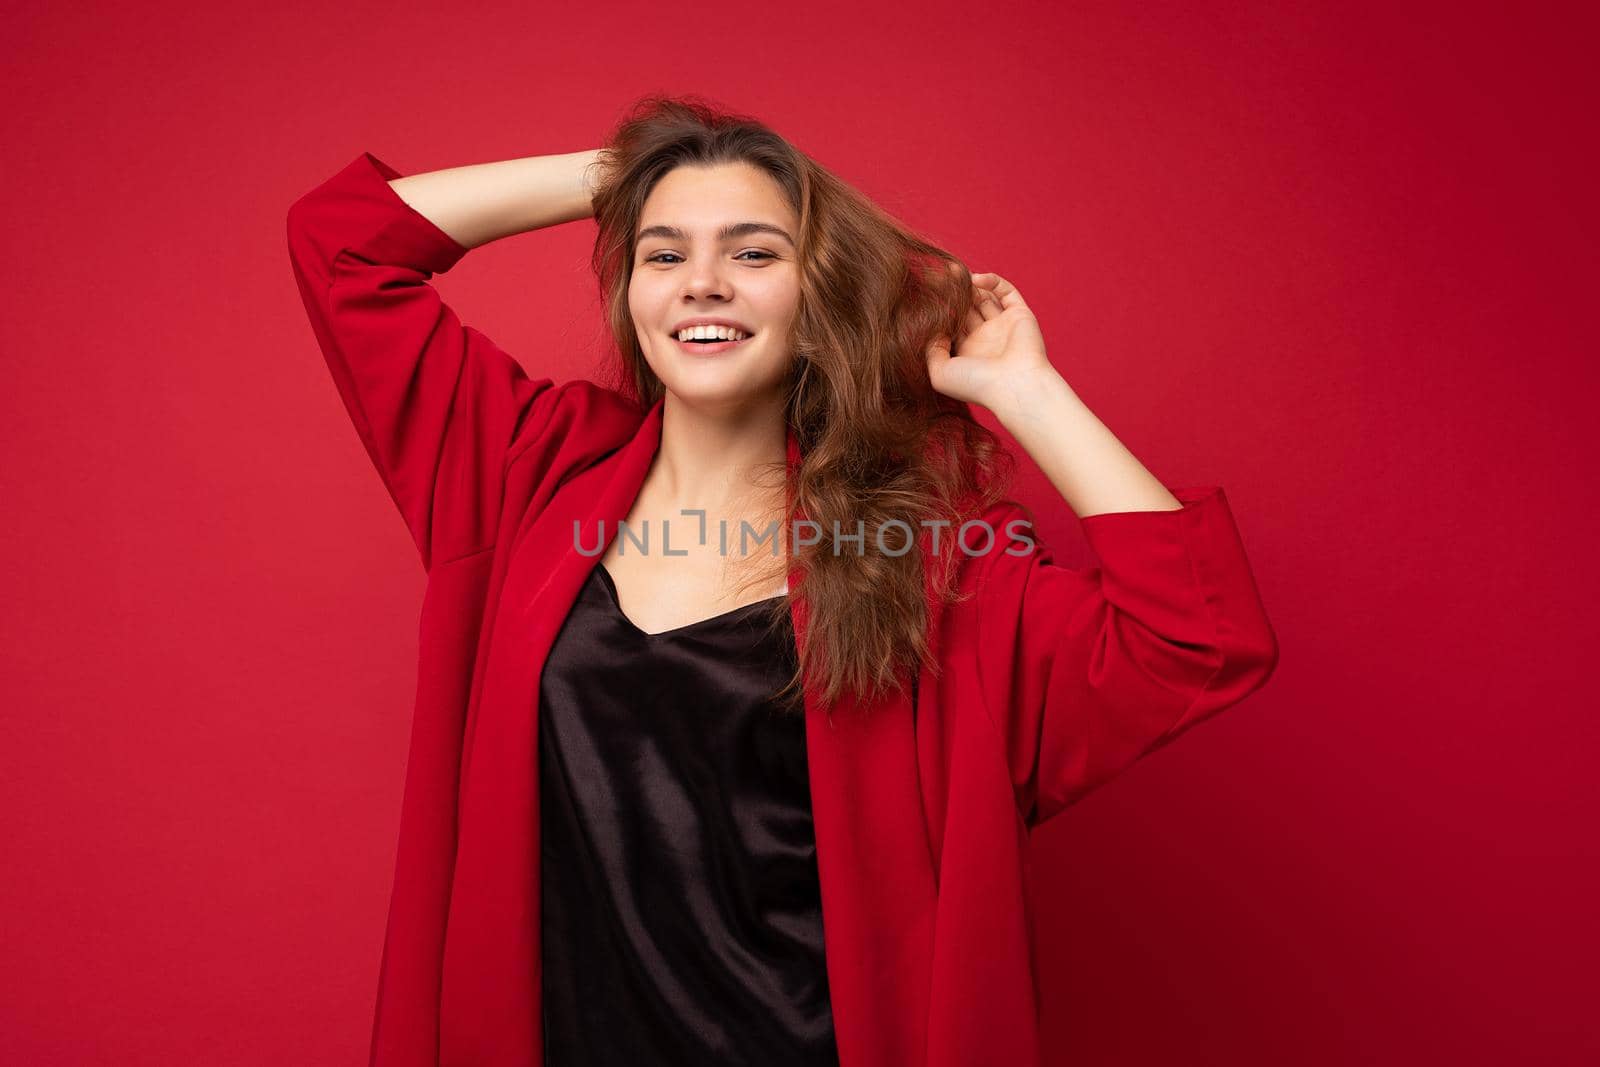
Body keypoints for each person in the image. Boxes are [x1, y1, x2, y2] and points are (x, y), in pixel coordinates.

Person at [285, 94, 1280, 1067]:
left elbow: (1193, 636)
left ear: (817, 303)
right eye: (662, 253)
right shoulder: (522, 476)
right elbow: (344, 244)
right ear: (630, 294)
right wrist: (631, 176)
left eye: (754, 253)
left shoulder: (927, 568)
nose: (701, 280)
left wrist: (1024, 387)